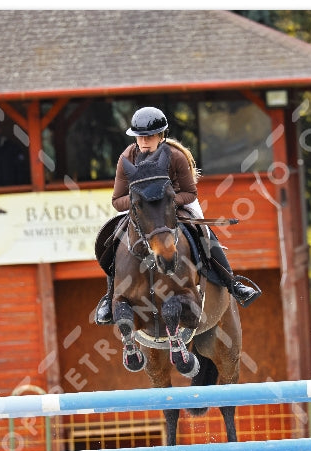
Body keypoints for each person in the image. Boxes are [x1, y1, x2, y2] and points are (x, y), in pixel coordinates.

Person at [95, 106, 261, 325]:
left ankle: (233, 284)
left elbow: (190, 193)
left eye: (150, 136)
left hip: (175, 203)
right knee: (114, 237)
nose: (144, 141)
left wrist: (168, 202)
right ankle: (109, 297)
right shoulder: (127, 157)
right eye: (140, 137)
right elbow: (117, 201)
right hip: (140, 208)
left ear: (161, 135)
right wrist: (139, 204)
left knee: (205, 233)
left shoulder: (175, 156)